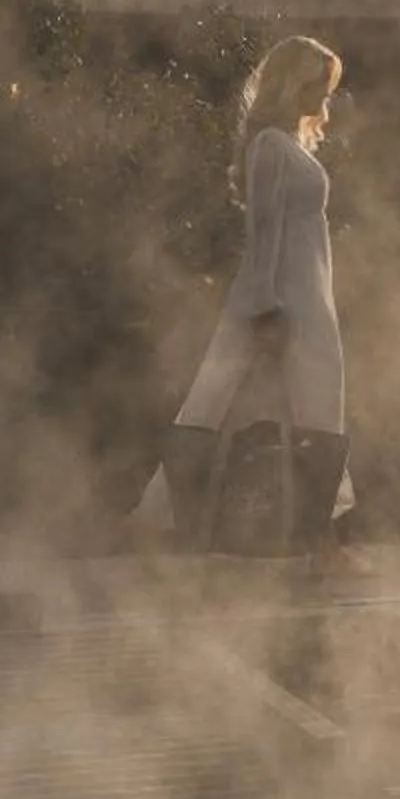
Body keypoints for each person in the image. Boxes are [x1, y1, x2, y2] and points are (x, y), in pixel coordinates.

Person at [160, 35, 351, 556]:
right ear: (292, 84)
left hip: (307, 294)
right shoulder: (269, 144)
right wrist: (267, 304)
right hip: (286, 295)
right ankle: (311, 537)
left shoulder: (289, 145)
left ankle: (318, 533)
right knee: (219, 398)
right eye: (317, 84)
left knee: (316, 405)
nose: (324, 96)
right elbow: (262, 230)